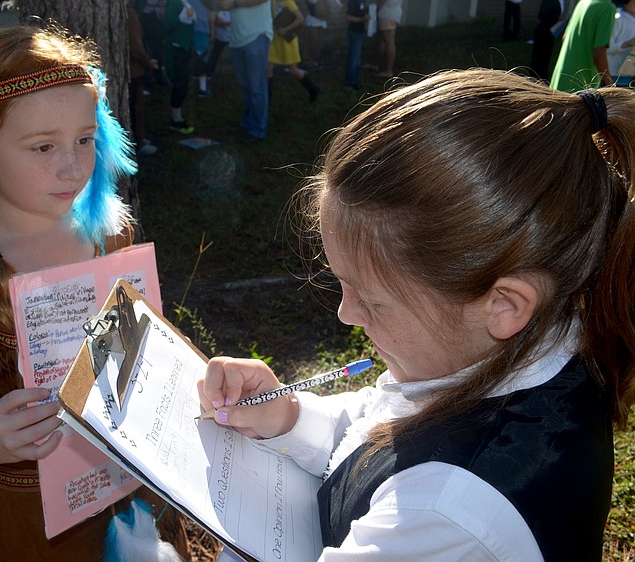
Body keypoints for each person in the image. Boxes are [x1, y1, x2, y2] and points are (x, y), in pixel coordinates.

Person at [198, 67, 635, 561]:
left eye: (371, 299)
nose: (346, 314)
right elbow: (383, 424)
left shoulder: (446, 515)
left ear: (504, 306)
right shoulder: (508, 353)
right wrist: (289, 417)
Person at [0, 24, 190, 560]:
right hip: (47, 527)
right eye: (43, 146)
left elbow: (146, 343)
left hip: (140, 490)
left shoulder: (110, 234)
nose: (74, 166)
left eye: (86, 139)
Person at [217, 0, 273, 143]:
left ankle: (258, 129)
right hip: (237, 38)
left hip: (256, 35)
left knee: (256, 87)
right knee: (246, 86)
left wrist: (234, 4)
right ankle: (248, 122)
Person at [550, 0, 616, 92]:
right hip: (581, 84)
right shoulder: (607, 8)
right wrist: (611, 86)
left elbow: (565, 37)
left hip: (561, 75)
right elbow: (599, 53)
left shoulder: (582, 3)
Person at [268, 0, 320, 103]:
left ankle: (313, 89)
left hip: (288, 41)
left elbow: (300, 19)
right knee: (269, 68)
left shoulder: (288, 2)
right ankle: (266, 100)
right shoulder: (273, 2)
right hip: (275, 40)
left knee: (293, 70)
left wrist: (286, 29)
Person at [128, 0, 160, 156]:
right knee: (136, 108)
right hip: (134, 69)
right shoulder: (129, 14)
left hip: (132, 68)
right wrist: (148, 62)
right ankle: (138, 142)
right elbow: (135, 46)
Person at [164, 0, 196, 133]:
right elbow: (167, 26)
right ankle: (175, 120)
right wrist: (180, 19)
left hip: (185, 47)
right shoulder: (175, 3)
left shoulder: (184, 3)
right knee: (179, 83)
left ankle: (177, 117)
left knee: (184, 83)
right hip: (177, 49)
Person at [529, 0, 566, 81]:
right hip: (544, 32)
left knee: (545, 57)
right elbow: (542, 15)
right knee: (539, 58)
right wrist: (557, 17)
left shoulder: (562, 2)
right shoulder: (550, 2)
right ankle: (536, 78)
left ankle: (542, 77)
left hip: (550, 33)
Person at [607, 0, 635, 85]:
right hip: (614, 76)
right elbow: (606, 48)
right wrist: (628, 43)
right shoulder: (618, 18)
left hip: (631, 74)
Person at [345, 0, 370, 90]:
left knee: (357, 58)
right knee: (354, 58)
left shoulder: (363, 2)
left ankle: (355, 80)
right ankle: (350, 82)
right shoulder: (353, 2)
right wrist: (361, 19)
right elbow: (348, 17)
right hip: (354, 32)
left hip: (360, 32)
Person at [374, 0, 401, 77]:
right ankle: (377, 64)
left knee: (389, 41)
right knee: (382, 40)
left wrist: (375, 10)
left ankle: (389, 71)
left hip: (387, 14)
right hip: (392, 12)